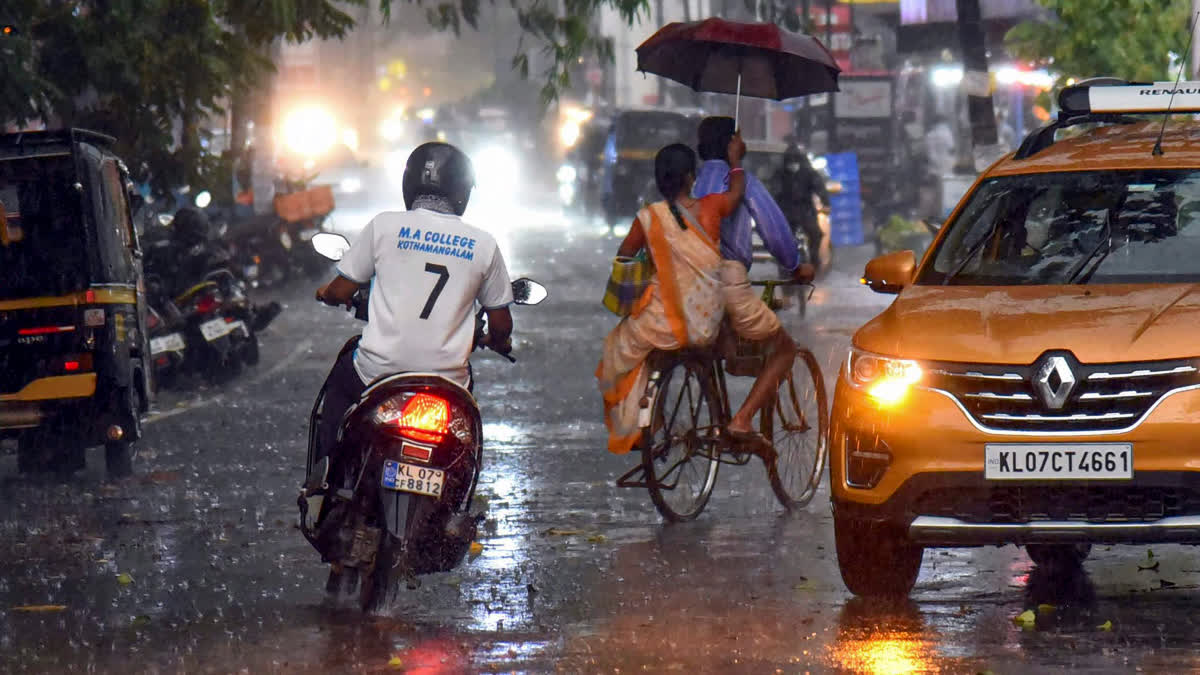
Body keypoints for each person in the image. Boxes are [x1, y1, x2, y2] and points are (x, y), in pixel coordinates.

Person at [313, 142, 514, 464]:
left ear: (409, 185)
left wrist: (326, 293)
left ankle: (324, 478)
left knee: (337, 391)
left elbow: (339, 290)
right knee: (466, 432)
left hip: (376, 373)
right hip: (448, 381)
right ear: (462, 191)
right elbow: (502, 323)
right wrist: (498, 340)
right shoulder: (484, 244)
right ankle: (456, 480)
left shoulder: (384, 226)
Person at [596, 137, 746, 454]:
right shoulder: (712, 206)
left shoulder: (648, 218)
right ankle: (719, 421)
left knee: (620, 346)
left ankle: (647, 423)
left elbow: (625, 258)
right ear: (691, 178)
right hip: (707, 322)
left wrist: (654, 262)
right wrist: (735, 160)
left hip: (663, 327)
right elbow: (736, 195)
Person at [692, 117, 813, 443]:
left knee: (715, 346)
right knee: (784, 349)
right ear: (734, 143)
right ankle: (742, 420)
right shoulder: (741, 183)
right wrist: (794, 265)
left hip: (688, 280)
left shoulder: (691, 182)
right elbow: (774, 230)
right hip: (726, 275)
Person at [774, 142, 830, 270]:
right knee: (782, 239)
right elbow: (773, 190)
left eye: (795, 161)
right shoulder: (780, 174)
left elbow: (819, 188)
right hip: (786, 212)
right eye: (790, 162)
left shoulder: (809, 173)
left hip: (805, 210)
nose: (792, 165)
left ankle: (814, 260)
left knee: (816, 234)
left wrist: (825, 202)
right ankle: (783, 265)